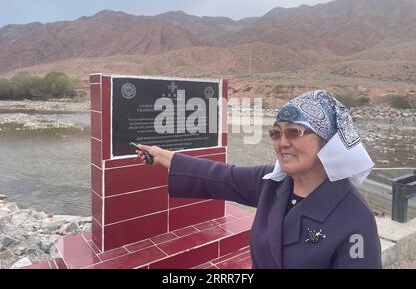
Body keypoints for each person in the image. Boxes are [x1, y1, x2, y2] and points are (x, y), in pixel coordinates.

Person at [135, 90, 382, 269]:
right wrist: (162, 155)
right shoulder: (273, 184)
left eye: (294, 132)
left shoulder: (354, 217)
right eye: (276, 133)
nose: (282, 142)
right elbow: (221, 177)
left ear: (328, 140)